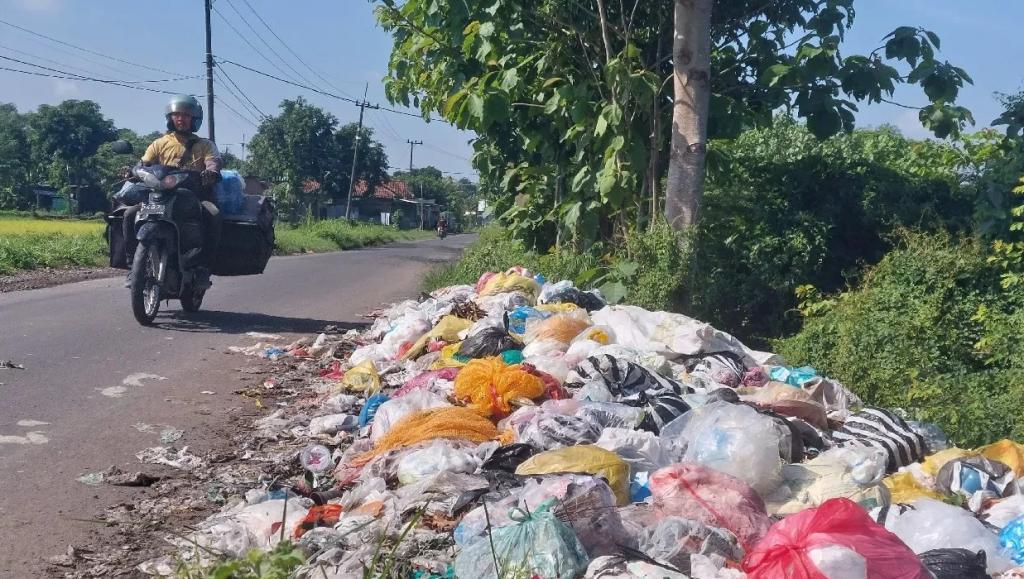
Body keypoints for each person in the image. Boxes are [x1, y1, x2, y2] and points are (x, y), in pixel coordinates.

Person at [122, 95, 222, 288]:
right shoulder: (159, 143)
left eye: (186, 115)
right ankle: (132, 268)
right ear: (170, 118)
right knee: (129, 214)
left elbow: (213, 162)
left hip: (191, 197)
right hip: (159, 197)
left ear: (194, 119)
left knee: (213, 214)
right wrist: (132, 172)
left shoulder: (205, 145)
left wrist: (211, 172)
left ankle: (203, 268)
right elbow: (144, 164)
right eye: (177, 115)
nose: (181, 119)